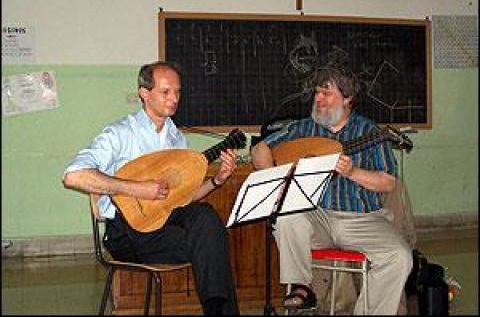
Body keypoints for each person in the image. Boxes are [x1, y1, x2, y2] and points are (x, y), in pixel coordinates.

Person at [63, 61, 239, 315]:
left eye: (178, 92)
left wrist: (217, 181)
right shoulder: (119, 133)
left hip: (164, 223)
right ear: (144, 94)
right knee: (212, 245)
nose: (174, 98)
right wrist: (136, 189)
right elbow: (73, 176)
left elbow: (183, 199)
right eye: (166, 91)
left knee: (207, 218)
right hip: (126, 232)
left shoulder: (177, 139)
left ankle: (218, 311)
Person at [251, 64, 413, 315]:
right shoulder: (303, 128)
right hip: (317, 216)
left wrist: (352, 172)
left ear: (347, 98)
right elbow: (260, 149)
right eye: (317, 92)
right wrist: (275, 179)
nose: (318, 98)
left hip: (362, 219)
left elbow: (388, 182)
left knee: (400, 257)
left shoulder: (369, 132)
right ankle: (302, 287)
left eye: (326, 93)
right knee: (285, 216)